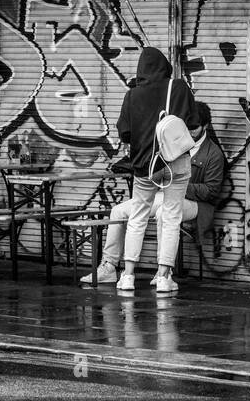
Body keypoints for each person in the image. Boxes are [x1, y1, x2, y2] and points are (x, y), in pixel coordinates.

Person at [83, 102, 228, 287]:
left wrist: (180, 186)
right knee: (118, 211)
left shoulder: (213, 153)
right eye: (187, 127)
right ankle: (109, 267)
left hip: (196, 204)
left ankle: (164, 273)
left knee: (165, 214)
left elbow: (211, 192)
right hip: (166, 195)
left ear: (206, 126)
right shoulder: (172, 143)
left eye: (195, 128)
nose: (190, 132)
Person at [113, 47, 199, 294]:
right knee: (171, 218)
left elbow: (125, 134)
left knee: (137, 218)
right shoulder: (179, 87)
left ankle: (128, 275)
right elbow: (192, 124)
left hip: (145, 165)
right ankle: (163, 277)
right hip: (176, 162)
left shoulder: (132, 95)